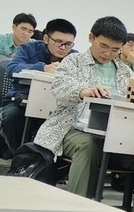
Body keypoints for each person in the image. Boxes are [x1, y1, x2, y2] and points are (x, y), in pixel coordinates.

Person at [33, 16, 134, 198]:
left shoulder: (125, 72)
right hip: (71, 129)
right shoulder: (73, 62)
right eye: (103, 46)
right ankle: (79, 205)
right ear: (91, 38)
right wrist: (82, 91)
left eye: (115, 50)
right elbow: (60, 87)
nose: (108, 54)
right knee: (88, 146)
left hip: (112, 134)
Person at [1, 19, 77, 153]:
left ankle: (44, 160)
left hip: (56, 106)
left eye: (68, 44)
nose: (63, 47)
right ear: (46, 38)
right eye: (59, 42)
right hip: (22, 100)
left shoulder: (74, 57)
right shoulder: (29, 48)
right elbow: (11, 69)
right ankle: (19, 155)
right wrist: (43, 68)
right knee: (12, 117)